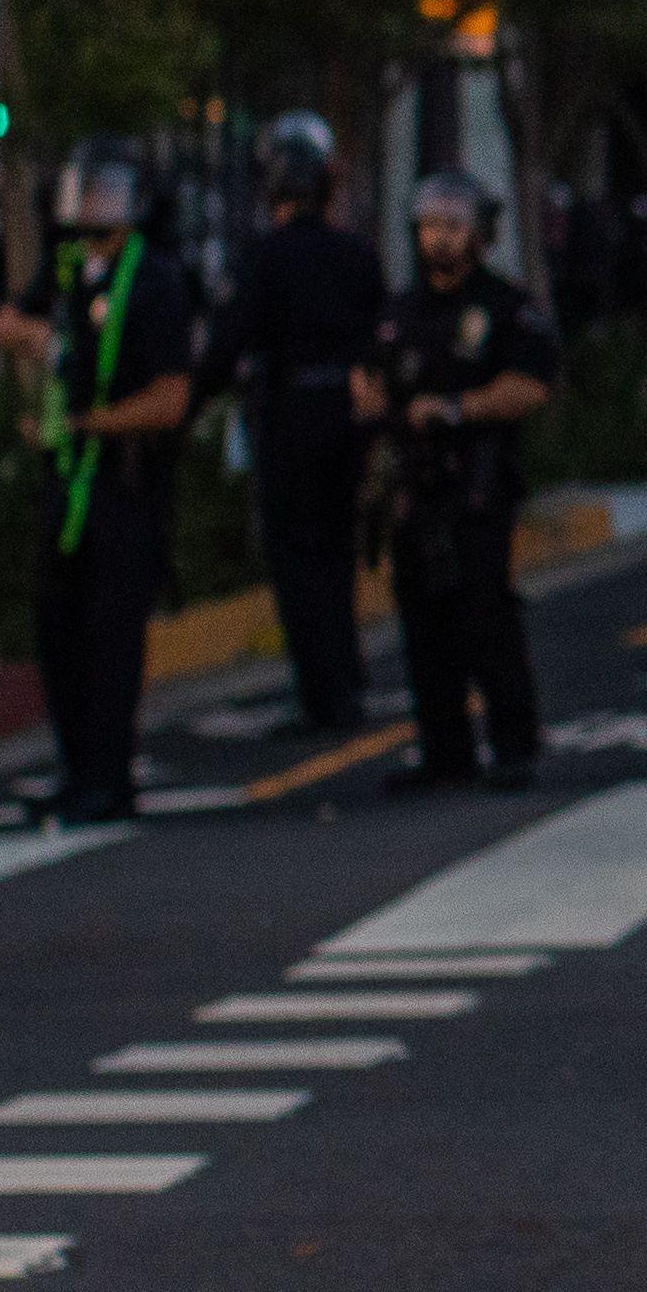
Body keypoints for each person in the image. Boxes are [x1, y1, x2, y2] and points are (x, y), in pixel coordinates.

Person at [0, 138, 202, 825]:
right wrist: (51, 346)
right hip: (64, 481)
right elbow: (7, 325)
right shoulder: (66, 269)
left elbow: (171, 399)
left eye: (106, 193)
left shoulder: (158, 280)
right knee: (60, 633)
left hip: (124, 482)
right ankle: (75, 768)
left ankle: (109, 778)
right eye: (84, 192)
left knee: (112, 638)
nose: (91, 208)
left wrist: (96, 421)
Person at [362, 167, 559, 794]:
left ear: (479, 234)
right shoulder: (399, 312)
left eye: (454, 226)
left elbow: (530, 386)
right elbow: (372, 385)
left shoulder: (506, 306)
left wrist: (455, 410)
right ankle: (444, 751)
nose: (440, 239)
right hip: (413, 487)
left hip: (477, 483)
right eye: (430, 226)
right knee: (423, 620)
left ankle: (513, 744)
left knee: (486, 613)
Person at [207, 111, 385, 739]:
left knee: (296, 557)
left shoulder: (264, 260)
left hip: (286, 421)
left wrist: (191, 399)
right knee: (337, 551)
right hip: (343, 419)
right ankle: (346, 677)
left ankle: (322, 689)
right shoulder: (355, 257)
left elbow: (229, 342)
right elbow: (378, 340)